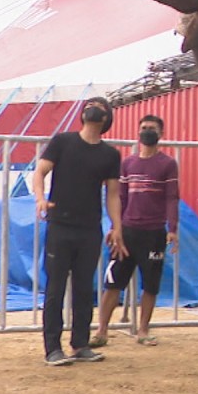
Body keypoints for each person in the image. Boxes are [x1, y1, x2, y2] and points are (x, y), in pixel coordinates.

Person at [33, 96, 126, 366]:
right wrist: (40, 198)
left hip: (89, 229)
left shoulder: (110, 154)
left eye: (99, 107)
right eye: (89, 106)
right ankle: (52, 348)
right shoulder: (63, 141)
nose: (92, 109)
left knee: (84, 288)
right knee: (55, 288)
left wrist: (117, 227)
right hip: (60, 225)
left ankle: (80, 344)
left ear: (106, 118)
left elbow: (113, 194)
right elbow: (40, 172)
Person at [91, 114, 180, 348]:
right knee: (113, 283)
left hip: (154, 233)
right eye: (143, 127)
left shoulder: (168, 164)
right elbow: (119, 197)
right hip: (127, 233)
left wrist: (172, 229)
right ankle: (101, 331)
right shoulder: (127, 164)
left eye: (152, 128)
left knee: (150, 285)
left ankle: (143, 331)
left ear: (161, 134)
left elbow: (172, 197)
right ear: (137, 132)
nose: (147, 131)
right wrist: (115, 227)